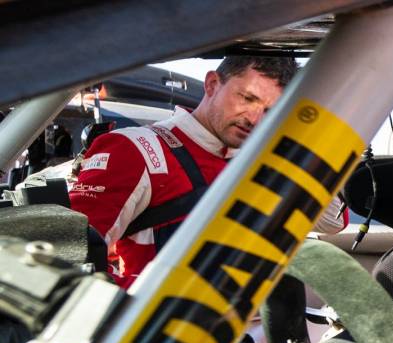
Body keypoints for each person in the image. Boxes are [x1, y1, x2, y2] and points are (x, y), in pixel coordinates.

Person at [69, 56, 349, 288]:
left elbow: (332, 223)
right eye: (247, 98)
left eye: (270, 110)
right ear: (212, 84)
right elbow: (70, 256)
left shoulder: (268, 161)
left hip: (252, 333)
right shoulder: (136, 149)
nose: (254, 119)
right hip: (162, 333)